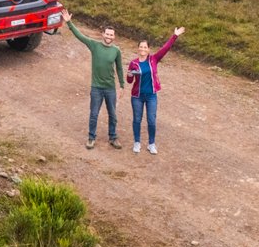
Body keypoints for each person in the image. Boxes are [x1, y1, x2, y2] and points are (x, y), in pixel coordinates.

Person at [62, 8, 123, 149]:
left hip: (110, 88)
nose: (109, 36)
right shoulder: (94, 45)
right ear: (103, 34)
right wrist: (69, 23)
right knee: (94, 114)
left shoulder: (116, 50)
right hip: (96, 87)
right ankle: (91, 138)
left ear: (114, 37)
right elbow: (81, 36)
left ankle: (113, 137)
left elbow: (119, 68)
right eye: (107, 34)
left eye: (111, 34)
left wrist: (122, 85)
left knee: (113, 115)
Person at [126, 27, 185, 155]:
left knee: (151, 120)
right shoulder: (133, 63)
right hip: (137, 96)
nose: (142, 49)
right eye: (141, 47)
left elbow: (165, 48)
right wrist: (129, 75)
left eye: (145, 47)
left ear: (148, 49)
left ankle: (151, 144)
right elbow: (129, 81)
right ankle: (137, 142)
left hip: (151, 96)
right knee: (137, 119)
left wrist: (175, 36)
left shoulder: (153, 59)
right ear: (138, 49)